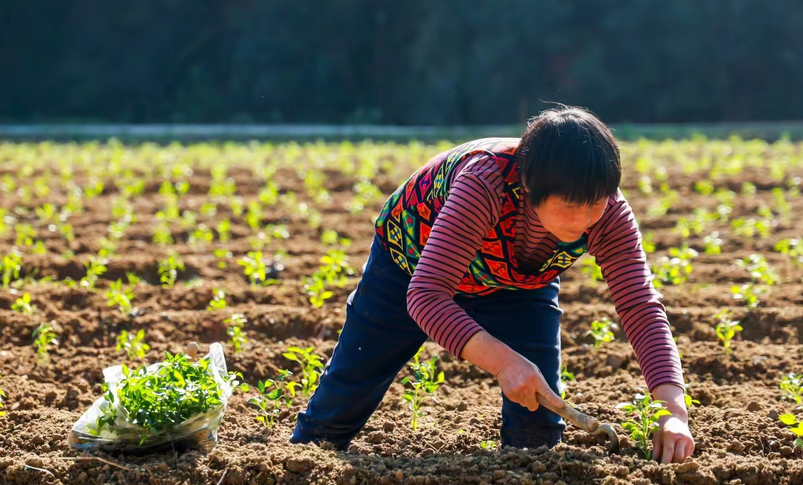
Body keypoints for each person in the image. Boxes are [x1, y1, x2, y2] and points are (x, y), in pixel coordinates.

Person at [290, 106, 695, 463]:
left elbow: (640, 307)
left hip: (517, 283)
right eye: (570, 206)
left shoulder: (609, 214)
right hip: (410, 264)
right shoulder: (485, 184)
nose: (585, 219)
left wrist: (673, 412)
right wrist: (504, 362)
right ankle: (301, 468)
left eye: (595, 203)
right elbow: (427, 296)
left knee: (537, 431)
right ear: (530, 189)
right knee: (338, 407)